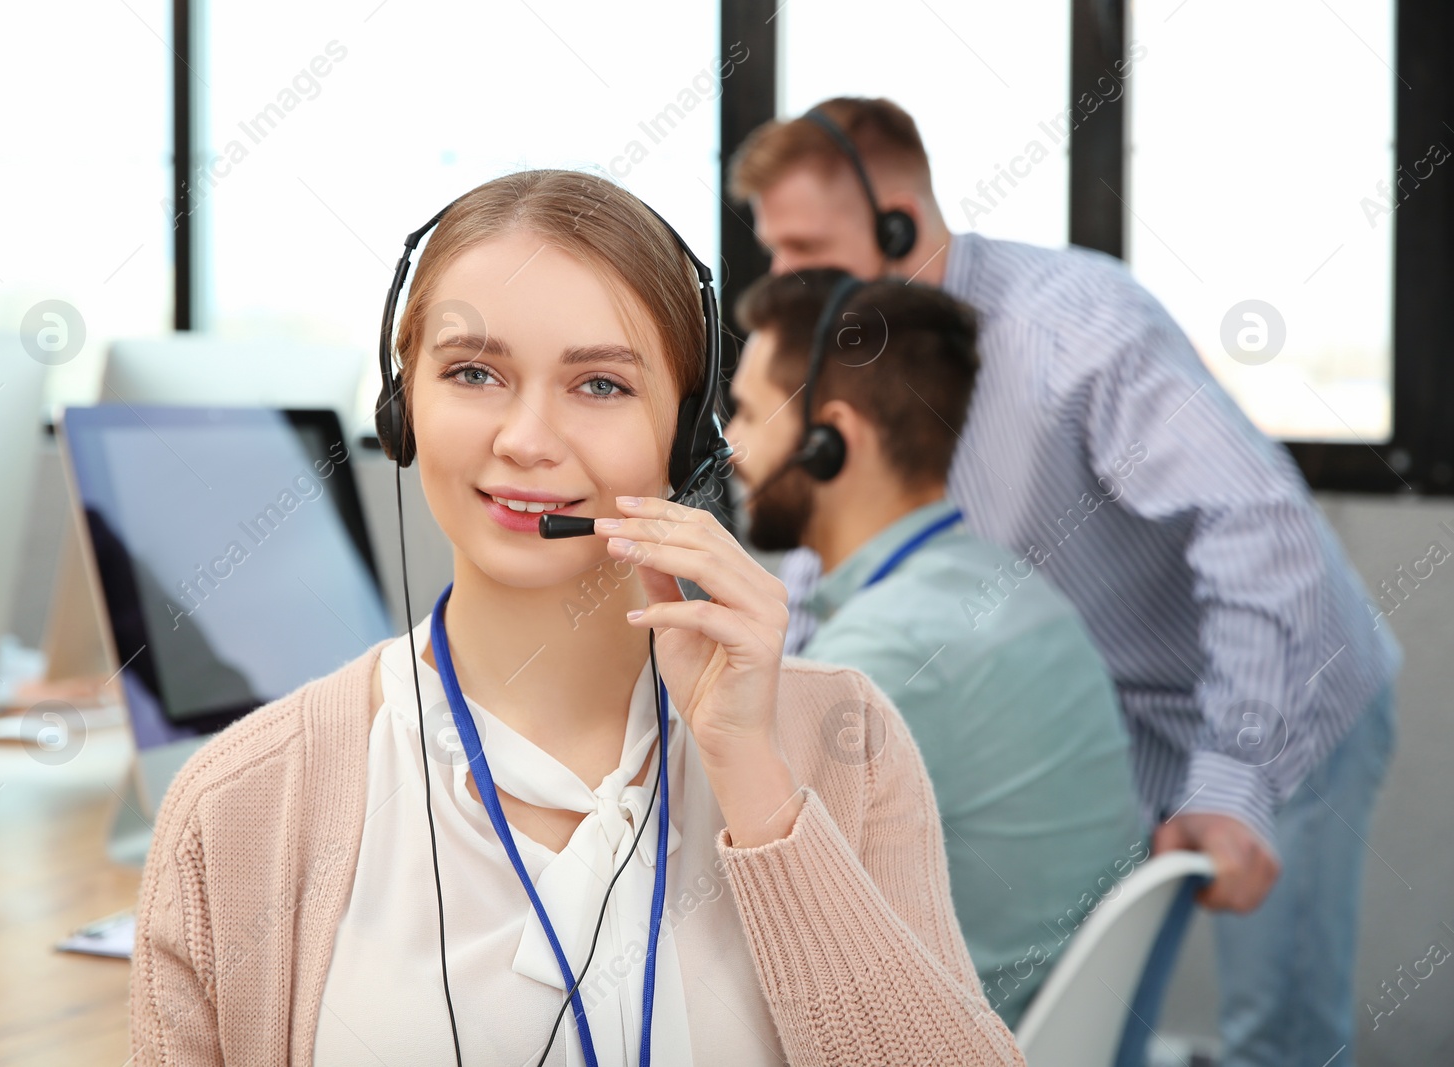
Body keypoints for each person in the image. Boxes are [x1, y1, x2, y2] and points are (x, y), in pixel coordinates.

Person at [127, 169, 1024, 1066]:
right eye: (473, 372)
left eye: (600, 385)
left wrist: (755, 780)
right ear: (404, 403)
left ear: (688, 436)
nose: (525, 438)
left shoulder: (844, 739)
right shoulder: (239, 803)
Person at [728, 97, 1401, 1067]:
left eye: (805, 249)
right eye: (773, 251)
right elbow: (829, 547)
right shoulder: (873, 366)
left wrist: (1232, 776)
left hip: (1279, 686)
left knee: (1278, 1040)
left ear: (897, 225)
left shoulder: (1070, 324)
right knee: (1109, 978)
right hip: (1110, 709)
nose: (786, 278)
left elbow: (1260, 525)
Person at [725, 267, 1144, 1028]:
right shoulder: (1012, 590)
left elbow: (761, 916)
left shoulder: (884, 656)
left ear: (829, 441)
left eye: (749, 414)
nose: (730, 449)